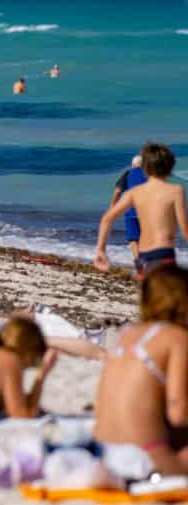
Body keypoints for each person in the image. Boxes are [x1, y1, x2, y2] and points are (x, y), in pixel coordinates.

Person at [92, 266, 188, 482]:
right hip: (144, 458)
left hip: (103, 453)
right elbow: (178, 413)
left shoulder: (127, 333)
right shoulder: (177, 338)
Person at [95, 141, 187, 278]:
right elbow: (185, 227)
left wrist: (101, 250)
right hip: (165, 255)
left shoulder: (135, 192)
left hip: (145, 255)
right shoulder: (176, 191)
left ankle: (139, 267)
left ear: (146, 168)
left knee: (149, 295)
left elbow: (107, 219)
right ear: (170, 168)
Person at [110, 154, 148, 269]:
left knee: (133, 239)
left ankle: (138, 263)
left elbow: (117, 191)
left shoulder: (128, 174)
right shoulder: (151, 175)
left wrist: (113, 207)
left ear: (133, 165)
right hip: (148, 212)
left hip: (131, 211)